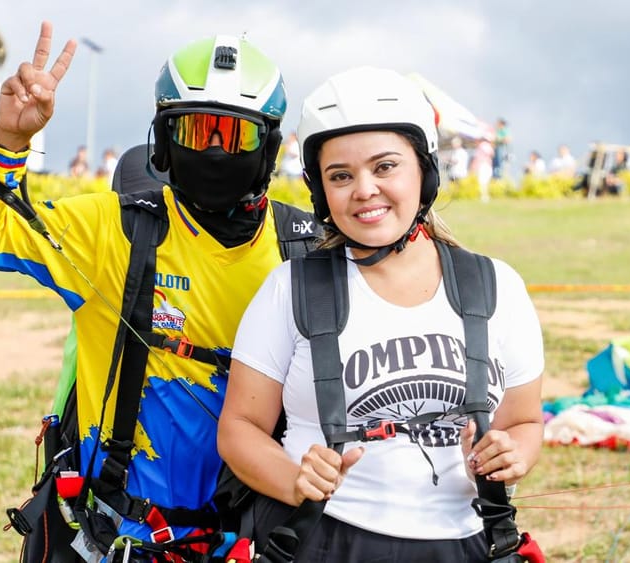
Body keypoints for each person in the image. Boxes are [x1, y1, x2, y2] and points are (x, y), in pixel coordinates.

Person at [0, 22, 316, 562]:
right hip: (116, 536)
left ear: (270, 144)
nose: (212, 150)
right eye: (194, 130)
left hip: (253, 540)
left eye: (232, 135)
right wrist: (10, 140)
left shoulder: (306, 253)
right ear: (162, 139)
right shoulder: (111, 230)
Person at [218, 66, 545, 561]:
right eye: (341, 176)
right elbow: (239, 427)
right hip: (325, 537)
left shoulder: (495, 287)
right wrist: (294, 481)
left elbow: (524, 422)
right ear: (320, 191)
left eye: (385, 166)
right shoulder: (291, 289)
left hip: (465, 542)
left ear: (425, 169)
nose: (364, 189)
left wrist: (515, 453)